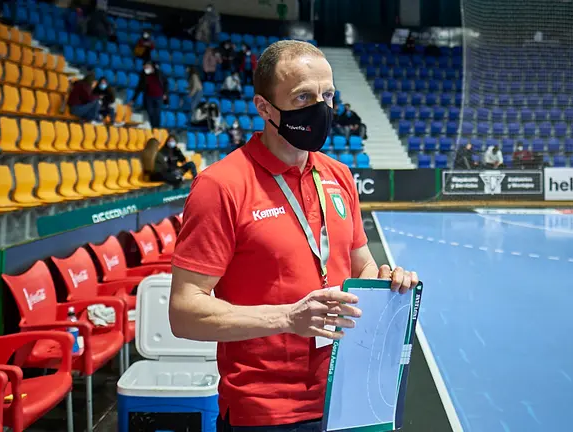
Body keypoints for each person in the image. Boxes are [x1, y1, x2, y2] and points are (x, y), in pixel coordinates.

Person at [167, 40, 419, 432]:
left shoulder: (338, 176)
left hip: (349, 393)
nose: (321, 108)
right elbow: (184, 313)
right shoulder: (221, 186)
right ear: (264, 108)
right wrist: (288, 317)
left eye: (327, 95)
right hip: (267, 411)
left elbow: (361, 262)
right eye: (303, 97)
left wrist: (387, 284)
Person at [133, 61, 168, 128]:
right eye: (145, 67)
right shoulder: (143, 75)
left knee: (157, 113)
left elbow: (166, 83)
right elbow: (139, 87)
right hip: (149, 97)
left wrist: (165, 93)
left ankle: (157, 128)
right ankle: (153, 127)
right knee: (150, 113)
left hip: (159, 96)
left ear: (152, 67)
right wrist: (133, 99)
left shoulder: (159, 73)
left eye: (147, 67)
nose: (146, 69)